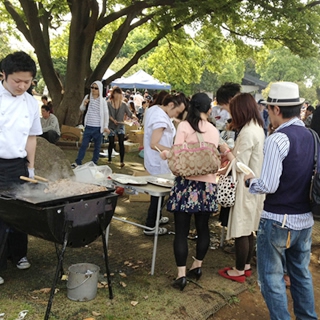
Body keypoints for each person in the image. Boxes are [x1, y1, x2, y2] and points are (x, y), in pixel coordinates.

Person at [244, 82, 318, 320]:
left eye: (268, 109)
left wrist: (250, 181)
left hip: (277, 220)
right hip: (305, 220)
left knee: (271, 278)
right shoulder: (313, 137)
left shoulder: (277, 139)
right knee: (301, 274)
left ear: (276, 109)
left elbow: (269, 185)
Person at [162, 93, 220, 291]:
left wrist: (166, 154)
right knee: (203, 228)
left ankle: (181, 275)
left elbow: (177, 153)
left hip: (186, 185)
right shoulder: (214, 130)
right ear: (209, 110)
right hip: (208, 187)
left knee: (181, 231)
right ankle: (197, 265)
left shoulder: (184, 127)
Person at [0, 51, 43, 285]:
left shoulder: (29, 102)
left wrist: (31, 166)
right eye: (17, 81)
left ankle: (19, 254)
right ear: (3, 75)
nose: (22, 86)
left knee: (19, 211)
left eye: (27, 82)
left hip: (18, 164)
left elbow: (31, 137)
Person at [218, 93, 265, 283]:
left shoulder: (247, 132)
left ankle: (238, 270)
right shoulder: (258, 128)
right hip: (255, 184)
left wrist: (226, 151)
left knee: (241, 228)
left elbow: (241, 165)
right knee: (249, 227)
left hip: (245, 186)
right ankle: (245, 266)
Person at [143, 93, 188, 236]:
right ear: (170, 105)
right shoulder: (160, 118)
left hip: (155, 160)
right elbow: (154, 143)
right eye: (177, 112)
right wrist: (176, 150)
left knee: (159, 192)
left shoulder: (155, 109)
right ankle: (150, 226)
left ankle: (155, 218)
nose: (176, 115)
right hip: (158, 160)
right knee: (158, 193)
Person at [72, 80, 109, 167]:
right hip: (88, 125)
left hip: (98, 127)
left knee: (97, 147)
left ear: (99, 89)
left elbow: (106, 114)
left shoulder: (102, 101)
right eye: (92, 87)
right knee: (84, 145)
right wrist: (84, 104)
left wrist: (105, 126)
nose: (93, 90)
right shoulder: (88, 97)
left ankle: (94, 163)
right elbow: (81, 108)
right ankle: (78, 161)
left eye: (96, 88)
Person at [107, 86, 136, 167]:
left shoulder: (123, 104)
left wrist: (134, 117)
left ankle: (122, 161)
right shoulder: (108, 103)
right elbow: (107, 114)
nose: (117, 95)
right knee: (111, 142)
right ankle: (109, 159)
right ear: (113, 94)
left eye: (119, 93)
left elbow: (129, 113)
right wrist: (113, 120)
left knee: (121, 142)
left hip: (120, 125)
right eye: (116, 93)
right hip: (111, 125)